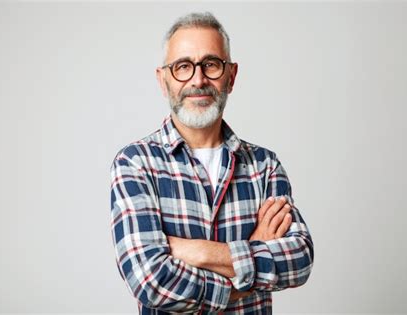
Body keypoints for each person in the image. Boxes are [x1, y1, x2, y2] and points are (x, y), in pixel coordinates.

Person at [109, 12, 314, 314]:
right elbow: (150, 281)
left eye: (211, 64)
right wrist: (253, 251)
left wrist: (197, 252)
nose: (198, 79)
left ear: (231, 76)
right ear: (163, 80)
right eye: (183, 67)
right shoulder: (136, 164)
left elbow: (299, 260)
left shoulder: (265, 166)